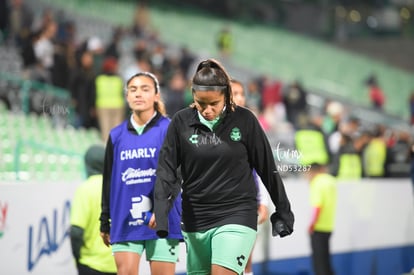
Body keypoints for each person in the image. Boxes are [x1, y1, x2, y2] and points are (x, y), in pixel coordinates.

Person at [150, 58, 294, 275]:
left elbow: (267, 167)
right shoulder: (181, 122)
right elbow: (167, 170)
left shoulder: (245, 120)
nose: (207, 110)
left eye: (213, 104)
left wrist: (283, 211)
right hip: (195, 220)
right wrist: (161, 212)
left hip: (236, 214)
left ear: (226, 95)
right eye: (200, 103)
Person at [99, 72, 182, 275]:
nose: (138, 94)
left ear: (156, 95)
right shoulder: (116, 135)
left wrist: (161, 209)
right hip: (125, 217)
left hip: (164, 218)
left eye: (145, 89)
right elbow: (109, 178)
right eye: (133, 90)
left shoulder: (169, 129)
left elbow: (177, 176)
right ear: (126, 97)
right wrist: (104, 218)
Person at [231, 79, 269, 275]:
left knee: (245, 262)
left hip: (247, 203)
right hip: (218, 205)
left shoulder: (251, 126)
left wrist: (263, 201)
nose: (238, 98)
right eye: (233, 93)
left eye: (241, 93)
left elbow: (260, 167)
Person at [70, 144, 117, 275]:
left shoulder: (85, 189)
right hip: (117, 264)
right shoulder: (119, 188)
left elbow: (76, 232)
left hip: (91, 264)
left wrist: (78, 260)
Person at [307, 163, 337, 275]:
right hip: (328, 226)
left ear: (312, 172)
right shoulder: (331, 181)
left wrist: (311, 225)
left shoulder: (317, 182)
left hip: (318, 228)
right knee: (326, 262)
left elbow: (317, 207)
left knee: (319, 265)